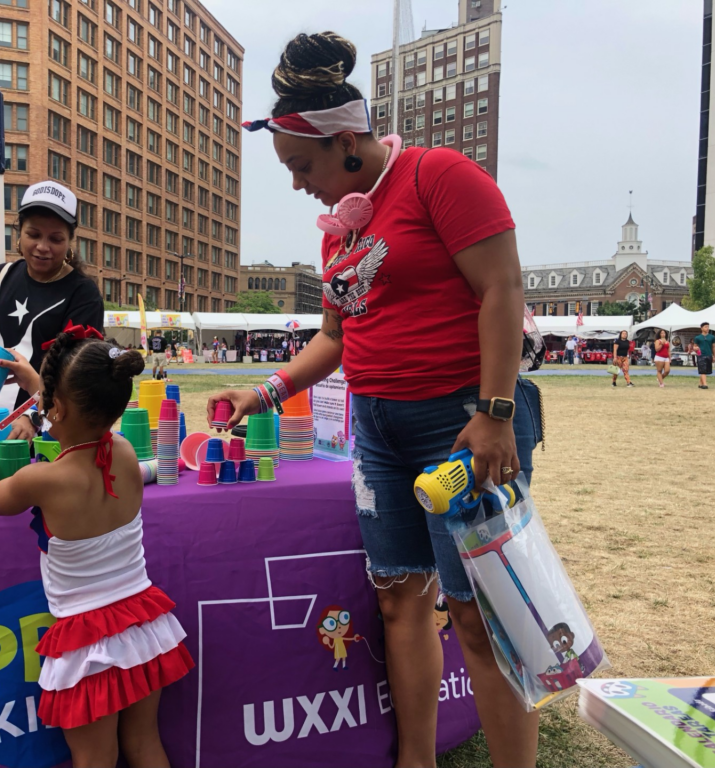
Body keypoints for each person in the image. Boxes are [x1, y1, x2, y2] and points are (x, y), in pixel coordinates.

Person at [207, 32, 542, 767]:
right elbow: (336, 337)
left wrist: (493, 415)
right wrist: (262, 392)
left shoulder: (440, 177)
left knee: (481, 617)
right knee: (399, 600)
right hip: (380, 435)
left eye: (302, 166)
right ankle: (413, 761)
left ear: (347, 141)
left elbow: (502, 291)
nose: (299, 185)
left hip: (459, 426)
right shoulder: (341, 232)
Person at [0, 330, 193, 767]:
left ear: (55, 407)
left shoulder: (43, 479)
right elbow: (80, 416)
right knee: (144, 743)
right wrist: (37, 386)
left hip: (89, 644)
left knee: (94, 758)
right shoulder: (121, 450)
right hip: (142, 624)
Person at [0, 181, 103, 441]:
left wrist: (37, 415)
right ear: (18, 233)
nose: (43, 246)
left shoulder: (83, 294)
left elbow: (78, 375)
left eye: (56, 239)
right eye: (33, 234)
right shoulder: (1, 275)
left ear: (70, 242)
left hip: (37, 429)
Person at [693, 321, 715, 389]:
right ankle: (705, 384)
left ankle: (700, 383)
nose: (707, 328)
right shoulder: (698, 338)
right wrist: (696, 348)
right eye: (705, 327)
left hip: (709, 354)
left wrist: (714, 356)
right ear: (701, 328)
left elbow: (713, 347)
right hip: (701, 355)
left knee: (705, 370)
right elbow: (694, 347)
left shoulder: (712, 337)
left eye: (708, 327)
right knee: (703, 370)